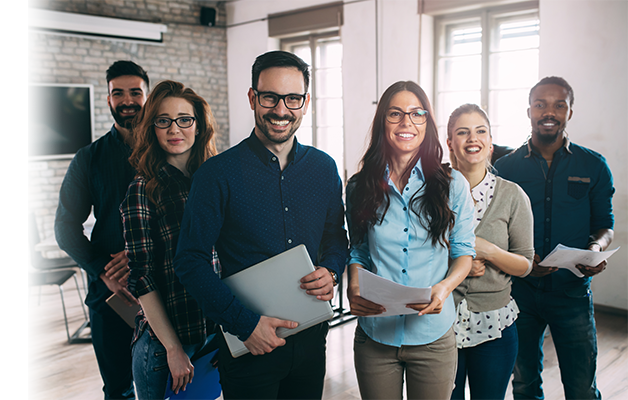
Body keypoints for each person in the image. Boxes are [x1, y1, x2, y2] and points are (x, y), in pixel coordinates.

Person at [172, 50, 348, 400]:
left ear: (306, 102)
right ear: (253, 97)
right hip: (248, 345)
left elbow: (336, 238)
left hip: (312, 339)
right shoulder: (216, 175)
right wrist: (244, 324)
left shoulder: (324, 168)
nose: (281, 110)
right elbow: (189, 261)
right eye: (270, 97)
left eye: (293, 99)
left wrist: (331, 270)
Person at [345, 81, 476, 400]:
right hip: (375, 337)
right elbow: (359, 249)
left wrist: (444, 289)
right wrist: (353, 284)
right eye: (396, 114)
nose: (407, 122)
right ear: (382, 123)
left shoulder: (452, 185)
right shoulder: (360, 186)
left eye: (417, 114)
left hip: (433, 338)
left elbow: (463, 253)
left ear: (427, 124)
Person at [494, 76, 615, 400]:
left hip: (572, 293)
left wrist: (595, 248)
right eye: (541, 104)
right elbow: (493, 228)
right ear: (529, 111)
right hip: (519, 294)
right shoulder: (505, 168)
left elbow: (605, 224)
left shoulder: (594, 165)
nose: (549, 112)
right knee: (524, 384)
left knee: (581, 387)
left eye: (559, 105)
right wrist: (519, 259)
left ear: (570, 112)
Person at [55, 60, 149, 400]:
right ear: (108, 99)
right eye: (118, 93)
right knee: (119, 388)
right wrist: (102, 271)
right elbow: (65, 227)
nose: (127, 100)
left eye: (135, 92)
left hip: (169, 287)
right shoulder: (88, 159)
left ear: (147, 97)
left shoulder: (171, 150)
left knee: (176, 382)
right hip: (112, 296)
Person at [119, 80, 219, 400]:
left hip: (214, 332)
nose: (175, 129)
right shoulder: (142, 189)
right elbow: (142, 277)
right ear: (153, 128)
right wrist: (174, 349)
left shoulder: (214, 180)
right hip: (167, 347)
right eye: (164, 120)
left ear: (198, 126)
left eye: (184, 119)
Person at [445, 104, 534, 400]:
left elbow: (525, 264)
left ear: (490, 142)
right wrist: (459, 263)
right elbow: (411, 253)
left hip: (495, 326)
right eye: (463, 132)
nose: (473, 139)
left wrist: (491, 251)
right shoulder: (428, 192)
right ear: (449, 143)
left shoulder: (512, 195)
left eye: (480, 131)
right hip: (439, 322)